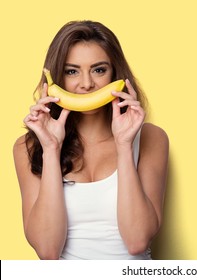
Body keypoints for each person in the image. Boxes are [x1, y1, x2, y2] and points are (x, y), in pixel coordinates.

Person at [13, 20, 169, 260]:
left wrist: (124, 145)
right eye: (71, 71)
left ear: (115, 74)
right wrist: (51, 149)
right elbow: (48, 251)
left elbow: (138, 240)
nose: (86, 84)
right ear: (57, 78)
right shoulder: (30, 146)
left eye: (99, 70)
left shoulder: (150, 138)